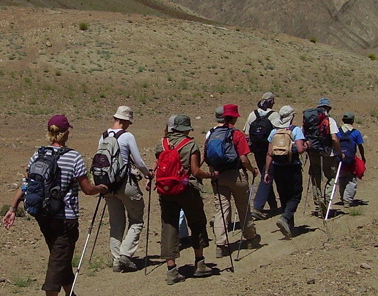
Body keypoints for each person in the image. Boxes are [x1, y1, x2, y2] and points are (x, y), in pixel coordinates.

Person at [3, 114, 108, 296]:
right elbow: (87, 189)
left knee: (60, 255)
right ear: (66, 132)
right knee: (58, 259)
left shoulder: (37, 155)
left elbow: (26, 184)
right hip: (65, 218)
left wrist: (13, 207)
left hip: (42, 215)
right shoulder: (74, 157)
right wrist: (100, 188)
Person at [155, 114, 213, 284]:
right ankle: (200, 263)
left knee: (169, 225)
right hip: (187, 190)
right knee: (196, 222)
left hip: (166, 191)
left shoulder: (162, 143)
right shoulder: (190, 144)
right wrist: (210, 175)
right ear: (185, 128)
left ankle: (171, 269)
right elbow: (195, 171)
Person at [99, 106, 152, 272]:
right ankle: (125, 255)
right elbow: (138, 161)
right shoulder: (127, 136)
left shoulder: (103, 136)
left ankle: (116, 261)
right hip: (125, 183)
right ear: (124, 121)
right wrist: (148, 174)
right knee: (136, 219)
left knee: (116, 222)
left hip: (107, 184)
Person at [205, 104, 259, 257]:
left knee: (221, 209)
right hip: (236, 175)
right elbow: (243, 158)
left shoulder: (211, 133)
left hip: (217, 175)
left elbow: (206, 156)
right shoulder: (236, 134)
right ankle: (250, 237)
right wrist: (252, 170)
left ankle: (221, 245)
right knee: (243, 207)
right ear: (233, 117)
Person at [262, 106, 308, 238]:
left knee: (283, 196)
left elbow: (269, 153)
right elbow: (300, 149)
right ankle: (285, 218)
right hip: (292, 166)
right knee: (296, 194)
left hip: (277, 167)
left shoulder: (274, 132)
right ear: (291, 117)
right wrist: (306, 146)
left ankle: (289, 227)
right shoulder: (296, 130)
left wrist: (266, 172)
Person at [243, 92, 282, 218]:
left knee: (266, 174)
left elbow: (247, 133)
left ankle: (273, 205)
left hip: (257, 150)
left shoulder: (252, 114)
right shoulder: (274, 115)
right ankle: (258, 207)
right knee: (268, 175)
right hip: (270, 150)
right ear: (270, 101)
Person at [304, 98, 340, 215]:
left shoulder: (309, 120)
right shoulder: (329, 120)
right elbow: (334, 138)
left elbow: (303, 135)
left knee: (315, 178)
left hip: (313, 152)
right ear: (328, 108)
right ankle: (327, 201)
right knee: (331, 177)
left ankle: (318, 206)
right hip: (327, 152)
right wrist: (340, 152)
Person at [336, 112, 367, 207]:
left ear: (343, 120)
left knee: (342, 178)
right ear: (353, 121)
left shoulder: (338, 131)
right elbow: (360, 146)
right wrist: (363, 157)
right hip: (351, 160)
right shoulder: (356, 133)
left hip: (339, 159)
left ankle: (343, 197)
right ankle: (348, 200)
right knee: (351, 180)